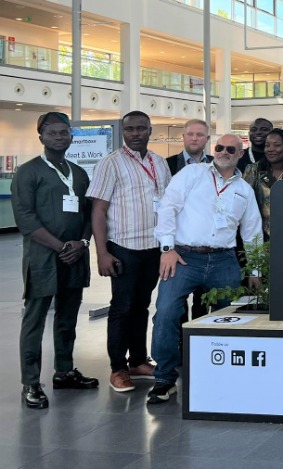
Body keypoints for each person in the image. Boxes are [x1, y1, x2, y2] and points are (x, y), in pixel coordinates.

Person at [148, 134, 264, 404]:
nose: (224, 152)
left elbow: (252, 233)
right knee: (166, 312)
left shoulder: (244, 190)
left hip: (223, 259)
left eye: (231, 149)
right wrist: (167, 249)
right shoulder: (192, 174)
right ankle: (165, 378)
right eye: (220, 147)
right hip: (183, 256)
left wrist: (255, 271)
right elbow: (167, 208)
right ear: (214, 150)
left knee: (231, 316)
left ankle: (222, 374)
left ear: (240, 154)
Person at [12, 112, 99, 409]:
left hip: (74, 257)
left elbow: (90, 214)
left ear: (72, 137)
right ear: (41, 137)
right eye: (53, 133)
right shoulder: (28, 172)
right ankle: (31, 382)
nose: (59, 137)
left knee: (67, 318)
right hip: (43, 259)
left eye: (64, 132)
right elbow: (25, 219)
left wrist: (83, 243)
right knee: (34, 320)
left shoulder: (79, 172)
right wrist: (61, 246)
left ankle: (64, 371)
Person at [87, 110, 172, 393]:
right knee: (121, 308)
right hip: (123, 247)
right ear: (123, 132)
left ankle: (137, 361)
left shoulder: (160, 163)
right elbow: (98, 210)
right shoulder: (110, 163)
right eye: (130, 129)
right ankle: (118, 369)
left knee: (141, 306)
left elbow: (168, 205)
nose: (135, 133)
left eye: (141, 128)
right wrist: (101, 253)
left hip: (153, 248)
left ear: (150, 130)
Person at [165, 119, 212, 322]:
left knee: (204, 301)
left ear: (207, 139)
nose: (194, 138)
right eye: (190, 134)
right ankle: (181, 347)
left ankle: (199, 345)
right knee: (176, 303)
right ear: (183, 137)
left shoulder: (216, 164)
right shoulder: (167, 165)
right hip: (177, 244)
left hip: (207, 243)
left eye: (199, 135)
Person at [244, 128, 283, 240]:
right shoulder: (253, 170)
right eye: (267, 145)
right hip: (260, 236)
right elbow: (244, 203)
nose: (270, 149)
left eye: (276, 145)